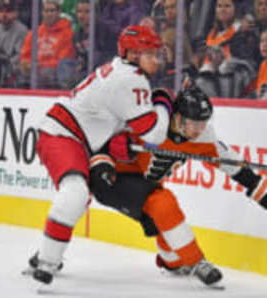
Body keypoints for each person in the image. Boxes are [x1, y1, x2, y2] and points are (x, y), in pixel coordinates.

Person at [87, 85, 267, 286]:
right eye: (194, 123)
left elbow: (229, 162)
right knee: (163, 203)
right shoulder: (152, 122)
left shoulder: (202, 137)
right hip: (113, 176)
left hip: (147, 186)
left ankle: (170, 262)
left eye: (203, 123)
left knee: (171, 249)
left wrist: (261, 189)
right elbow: (103, 134)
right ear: (178, 118)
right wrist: (110, 150)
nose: (199, 129)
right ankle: (197, 262)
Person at [27, 25, 173, 285]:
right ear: (131, 54)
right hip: (64, 135)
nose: (156, 59)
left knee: (80, 197)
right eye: (149, 53)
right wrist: (164, 103)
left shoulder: (121, 70)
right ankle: (46, 263)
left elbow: (116, 120)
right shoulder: (131, 79)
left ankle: (47, 254)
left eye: (155, 53)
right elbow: (154, 134)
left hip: (78, 139)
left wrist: (120, 139)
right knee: (75, 192)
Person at [19, 0, 76, 89]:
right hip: (33, 69)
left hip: (53, 72)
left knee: (46, 72)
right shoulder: (34, 32)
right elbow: (25, 56)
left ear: (59, 12)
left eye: (52, 11)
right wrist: (26, 64)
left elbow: (63, 61)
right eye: (46, 11)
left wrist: (39, 65)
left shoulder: (67, 33)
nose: (49, 14)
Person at [0, 0, 28, 87]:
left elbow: (20, 56)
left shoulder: (22, 31)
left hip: (13, 71)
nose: (4, 15)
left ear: (16, 13)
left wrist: (5, 66)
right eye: (1, 11)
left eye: (8, 11)